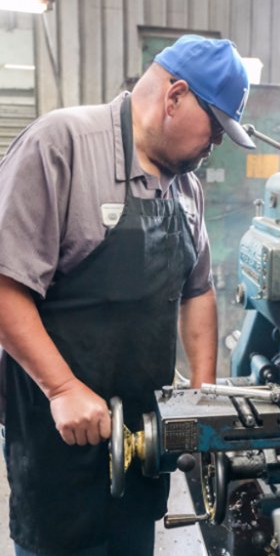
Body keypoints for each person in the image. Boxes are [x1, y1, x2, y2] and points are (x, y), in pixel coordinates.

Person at [0, 34, 255, 556]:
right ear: (175, 96)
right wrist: (62, 389)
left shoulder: (186, 187)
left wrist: (201, 397)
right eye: (215, 127)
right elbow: (5, 285)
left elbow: (199, 291)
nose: (216, 144)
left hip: (142, 442)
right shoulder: (62, 146)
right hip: (58, 436)